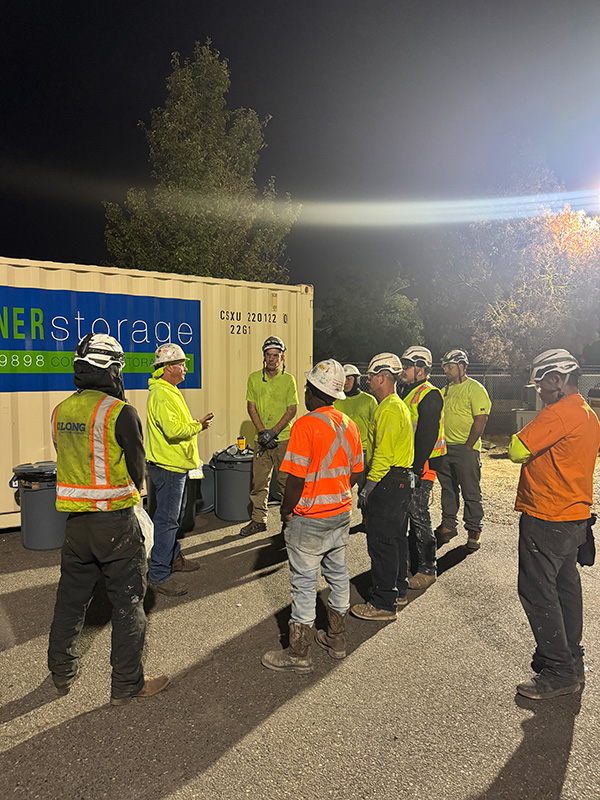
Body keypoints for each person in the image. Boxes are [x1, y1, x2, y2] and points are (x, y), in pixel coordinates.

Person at [48, 333, 170, 705]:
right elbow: (137, 470)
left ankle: (61, 673)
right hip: (115, 524)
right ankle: (127, 685)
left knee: (70, 601)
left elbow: (68, 458)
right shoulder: (120, 412)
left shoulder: (61, 410)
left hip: (75, 527)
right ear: (111, 368)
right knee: (128, 602)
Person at [508, 348, 600, 700]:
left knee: (537, 592)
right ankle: (571, 661)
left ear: (556, 379)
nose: (540, 393)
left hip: (547, 516)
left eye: (542, 385)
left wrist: (541, 417)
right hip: (574, 518)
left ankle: (559, 670)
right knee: (565, 590)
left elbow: (517, 449)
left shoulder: (559, 412)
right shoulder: (588, 414)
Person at [261, 360, 363, 672]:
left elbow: (295, 480)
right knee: (337, 574)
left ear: (313, 391)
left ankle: (298, 652)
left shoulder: (306, 425)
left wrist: (287, 510)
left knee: (304, 583)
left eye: (307, 387)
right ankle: (337, 639)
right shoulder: (349, 424)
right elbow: (357, 470)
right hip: (340, 513)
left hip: (309, 517)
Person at [350, 353, 414, 621]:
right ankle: (396, 590)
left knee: (381, 542)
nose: (367, 382)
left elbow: (383, 455)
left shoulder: (388, 408)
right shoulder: (397, 405)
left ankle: (383, 604)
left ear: (381, 377)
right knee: (396, 538)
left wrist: (367, 488)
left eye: (369, 377)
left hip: (388, 482)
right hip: (400, 481)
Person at [146, 343, 213, 596]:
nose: (186, 368)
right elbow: (174, 431)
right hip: (169, 467)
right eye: (182, 364)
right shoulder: (162, 395)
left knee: (171, 518)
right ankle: (160, 574)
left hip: (175, 466)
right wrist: (198, 426)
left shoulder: (168, 391)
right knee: (166, 521)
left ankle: (173, 558)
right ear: (168, 368)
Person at [240, 336, 298, 537]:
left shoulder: (288, 379)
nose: (272, 359)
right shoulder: (254, 378)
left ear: (282, 357)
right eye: (268, 355)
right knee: (259, 483)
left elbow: (292, 409)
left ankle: (288, 522)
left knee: (285, 482)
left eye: (276, 355)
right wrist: (263, 432)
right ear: (264, 356)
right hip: (261, 441)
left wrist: (273, 432)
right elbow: (251, 406)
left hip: (283, 440)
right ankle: (258, 520)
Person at [398, 346, 446, 590]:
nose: (402, 370)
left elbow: (428, 434)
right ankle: (410, 562)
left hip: (422, 466)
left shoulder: (429, 394)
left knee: (419, 515)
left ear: (421, 369)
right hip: (411, 465)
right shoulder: (409, 392)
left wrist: (416, 468)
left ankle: (427, 568)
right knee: (410, 514)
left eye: (407, 366)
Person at [434, 349, 491, 552]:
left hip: (466, 450)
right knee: (448, 490)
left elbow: (481, 418)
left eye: (450, 367)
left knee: (470, 491)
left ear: (461, 366)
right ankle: (448, 525)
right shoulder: (445, 390)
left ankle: (474, 530)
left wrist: (469, 446)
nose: (446, 371)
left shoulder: (475, 389)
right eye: (445, 368)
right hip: (445, 448)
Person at [334, 363, 377, 493]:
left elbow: (376, 427)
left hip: (364, 451)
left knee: (364, 489)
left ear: (357, 380)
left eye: (349, 379)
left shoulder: (369, 400)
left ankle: (366, 513)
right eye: (344, 379)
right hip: (343, 451)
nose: (346, 383)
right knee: (342, 489)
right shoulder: (336, 401)